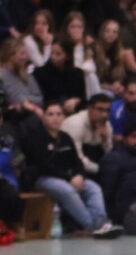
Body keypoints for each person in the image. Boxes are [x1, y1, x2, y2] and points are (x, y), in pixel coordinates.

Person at [22, 100, 119, 237]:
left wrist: (79, 175)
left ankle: (101, 223)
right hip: (42, 178)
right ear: (43, 117)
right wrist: (69, 178)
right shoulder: (35, 138)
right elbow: (43, 166)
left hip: (68, 177)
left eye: (58, 114)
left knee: (93, 188)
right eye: (50, 114)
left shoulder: (65, 137)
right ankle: (91, 226)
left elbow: (76, 160)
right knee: (67, 190)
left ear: (63, 117)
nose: (55, 118)